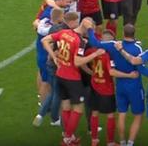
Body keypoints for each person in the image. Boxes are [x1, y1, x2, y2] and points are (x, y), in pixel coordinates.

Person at [41, 17, 104, 146]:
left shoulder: (64, 33)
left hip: (60, 75)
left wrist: (53, 56)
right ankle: (67, 139)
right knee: (78, 110)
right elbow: (77, 62)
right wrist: (95, 54)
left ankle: (68, 135)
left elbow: (45, 40)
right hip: (72, 79)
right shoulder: (80, 41)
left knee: (66, 106)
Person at [87, 23, 146, 146]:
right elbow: (141, 66)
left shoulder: (113, 45)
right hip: (134, 85)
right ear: (134, 34)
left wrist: (89, 29)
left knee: (122, 114)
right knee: (138, 115)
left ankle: (122, 141)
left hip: (119, 86)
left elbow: (94, 42)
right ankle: (130, 143)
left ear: (123, 33)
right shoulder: (137, 48)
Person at [35, 0, 73, 104]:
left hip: (42, 54)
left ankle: (42, 98)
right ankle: (43, 105)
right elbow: (42, 31)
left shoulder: (54, 9)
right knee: (46, 81)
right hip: (45, 55)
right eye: (68, 1)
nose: (69, 4)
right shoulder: (49, 17)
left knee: (43, 76)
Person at [33, 8, 65, 127]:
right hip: (50, 60)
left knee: (43, 78)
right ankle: (47, 110)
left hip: (41, 57)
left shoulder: (43, 23)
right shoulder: (54, 30)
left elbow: (36, 23)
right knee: (51, 87)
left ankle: (42, 109)